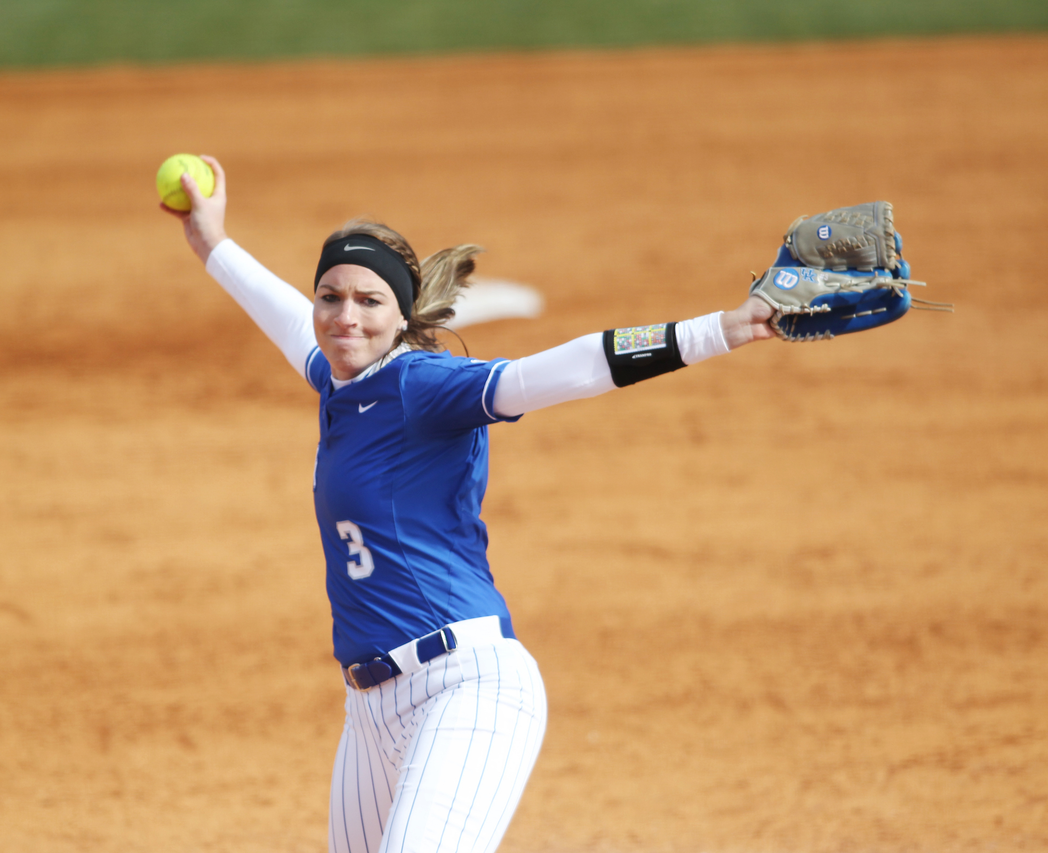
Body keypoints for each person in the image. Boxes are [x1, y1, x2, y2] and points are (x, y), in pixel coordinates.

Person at [163, 156, 775, 853]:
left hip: (465, 688)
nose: (344, 317)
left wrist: (724, 328)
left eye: (369, 302)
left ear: (401, 316)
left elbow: (574, 367)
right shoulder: (338, 381)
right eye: (330, 296)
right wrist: (212, 243)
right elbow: (280, 315)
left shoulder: (423, 386)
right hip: (369, 715)